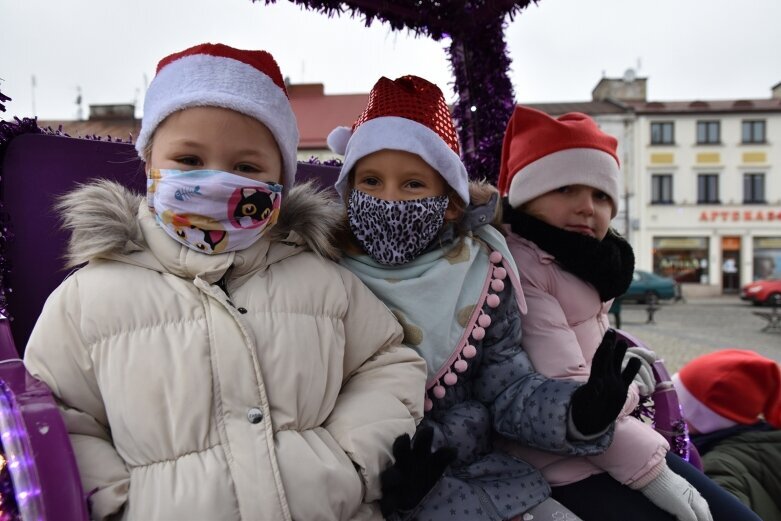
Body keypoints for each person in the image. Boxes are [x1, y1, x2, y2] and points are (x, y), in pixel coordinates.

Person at [23, 43, 428, 521]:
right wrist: (117, 505)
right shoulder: (88, 299)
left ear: (281, 180)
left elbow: (385, 363)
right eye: (190, 160)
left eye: (246, 168)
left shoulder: (323, 282)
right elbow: (61, 419)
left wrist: (355, 464)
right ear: (150, 163)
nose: (215, 182)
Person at [328, 75, 642, 521]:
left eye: (413, 185)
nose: (389, 200)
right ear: (348, 190)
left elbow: (508, 389)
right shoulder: (324, 276)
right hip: (376, 492)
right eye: (371, 181)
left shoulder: (481, 274)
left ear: (451, 202)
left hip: (486, 475)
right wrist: (387, 482)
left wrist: (578, 411)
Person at [497, 105, 763, 521]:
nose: (587, 207)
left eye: (601, 195)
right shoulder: (526, 267)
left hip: (608, 446)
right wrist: (652, 472)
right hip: (559, 465)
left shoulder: (581, 265)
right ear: (527, 199)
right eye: (566, 189)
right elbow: (569, 396)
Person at [673, 349, 781, 521]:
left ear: (705, 420)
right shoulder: (768, 436)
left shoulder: (718, 466)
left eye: (678, 406)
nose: (671, 413)